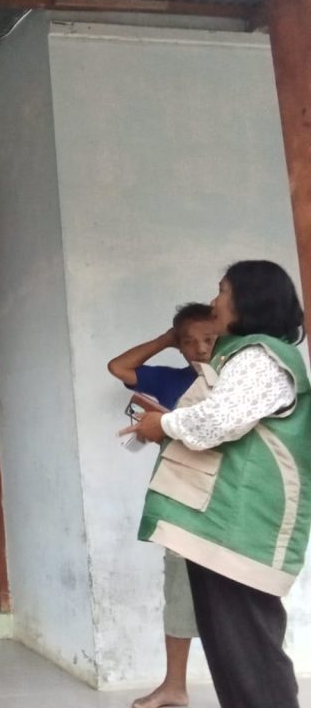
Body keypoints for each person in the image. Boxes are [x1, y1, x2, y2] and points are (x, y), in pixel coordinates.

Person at [133, 260, 311, 708]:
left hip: (241, 529)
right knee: (232, 656)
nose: (215, 302)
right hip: (222, 527)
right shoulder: (240, 355)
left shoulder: (261, 357)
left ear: (249, 299)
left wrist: (163, 424)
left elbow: (218, 422)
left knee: (250, 656)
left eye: (223, 291)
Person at [108, 304, 218, 708]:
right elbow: (118, 367)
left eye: (209, 339)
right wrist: (166, 340)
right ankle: (175, 685)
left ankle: (251, 684)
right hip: (182, 498)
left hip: (228, 500)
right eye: (188, 342)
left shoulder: (237, 382)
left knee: (241, 599)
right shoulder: (173, 380)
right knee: (179, 591)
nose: (200, 348)